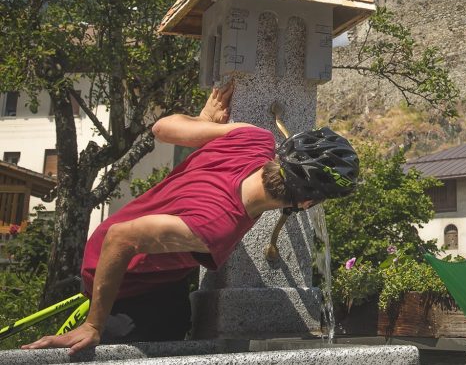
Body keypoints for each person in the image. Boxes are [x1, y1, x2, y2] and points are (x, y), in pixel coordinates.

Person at [24, 80, 358, 353]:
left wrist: (201, 122)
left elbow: (162, 128)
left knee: (180, 322)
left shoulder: (254, 139)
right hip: (125, 283)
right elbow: (121, 238)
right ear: (305, 205)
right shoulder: (216, 224)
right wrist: (94, 325)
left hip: (163, 274)